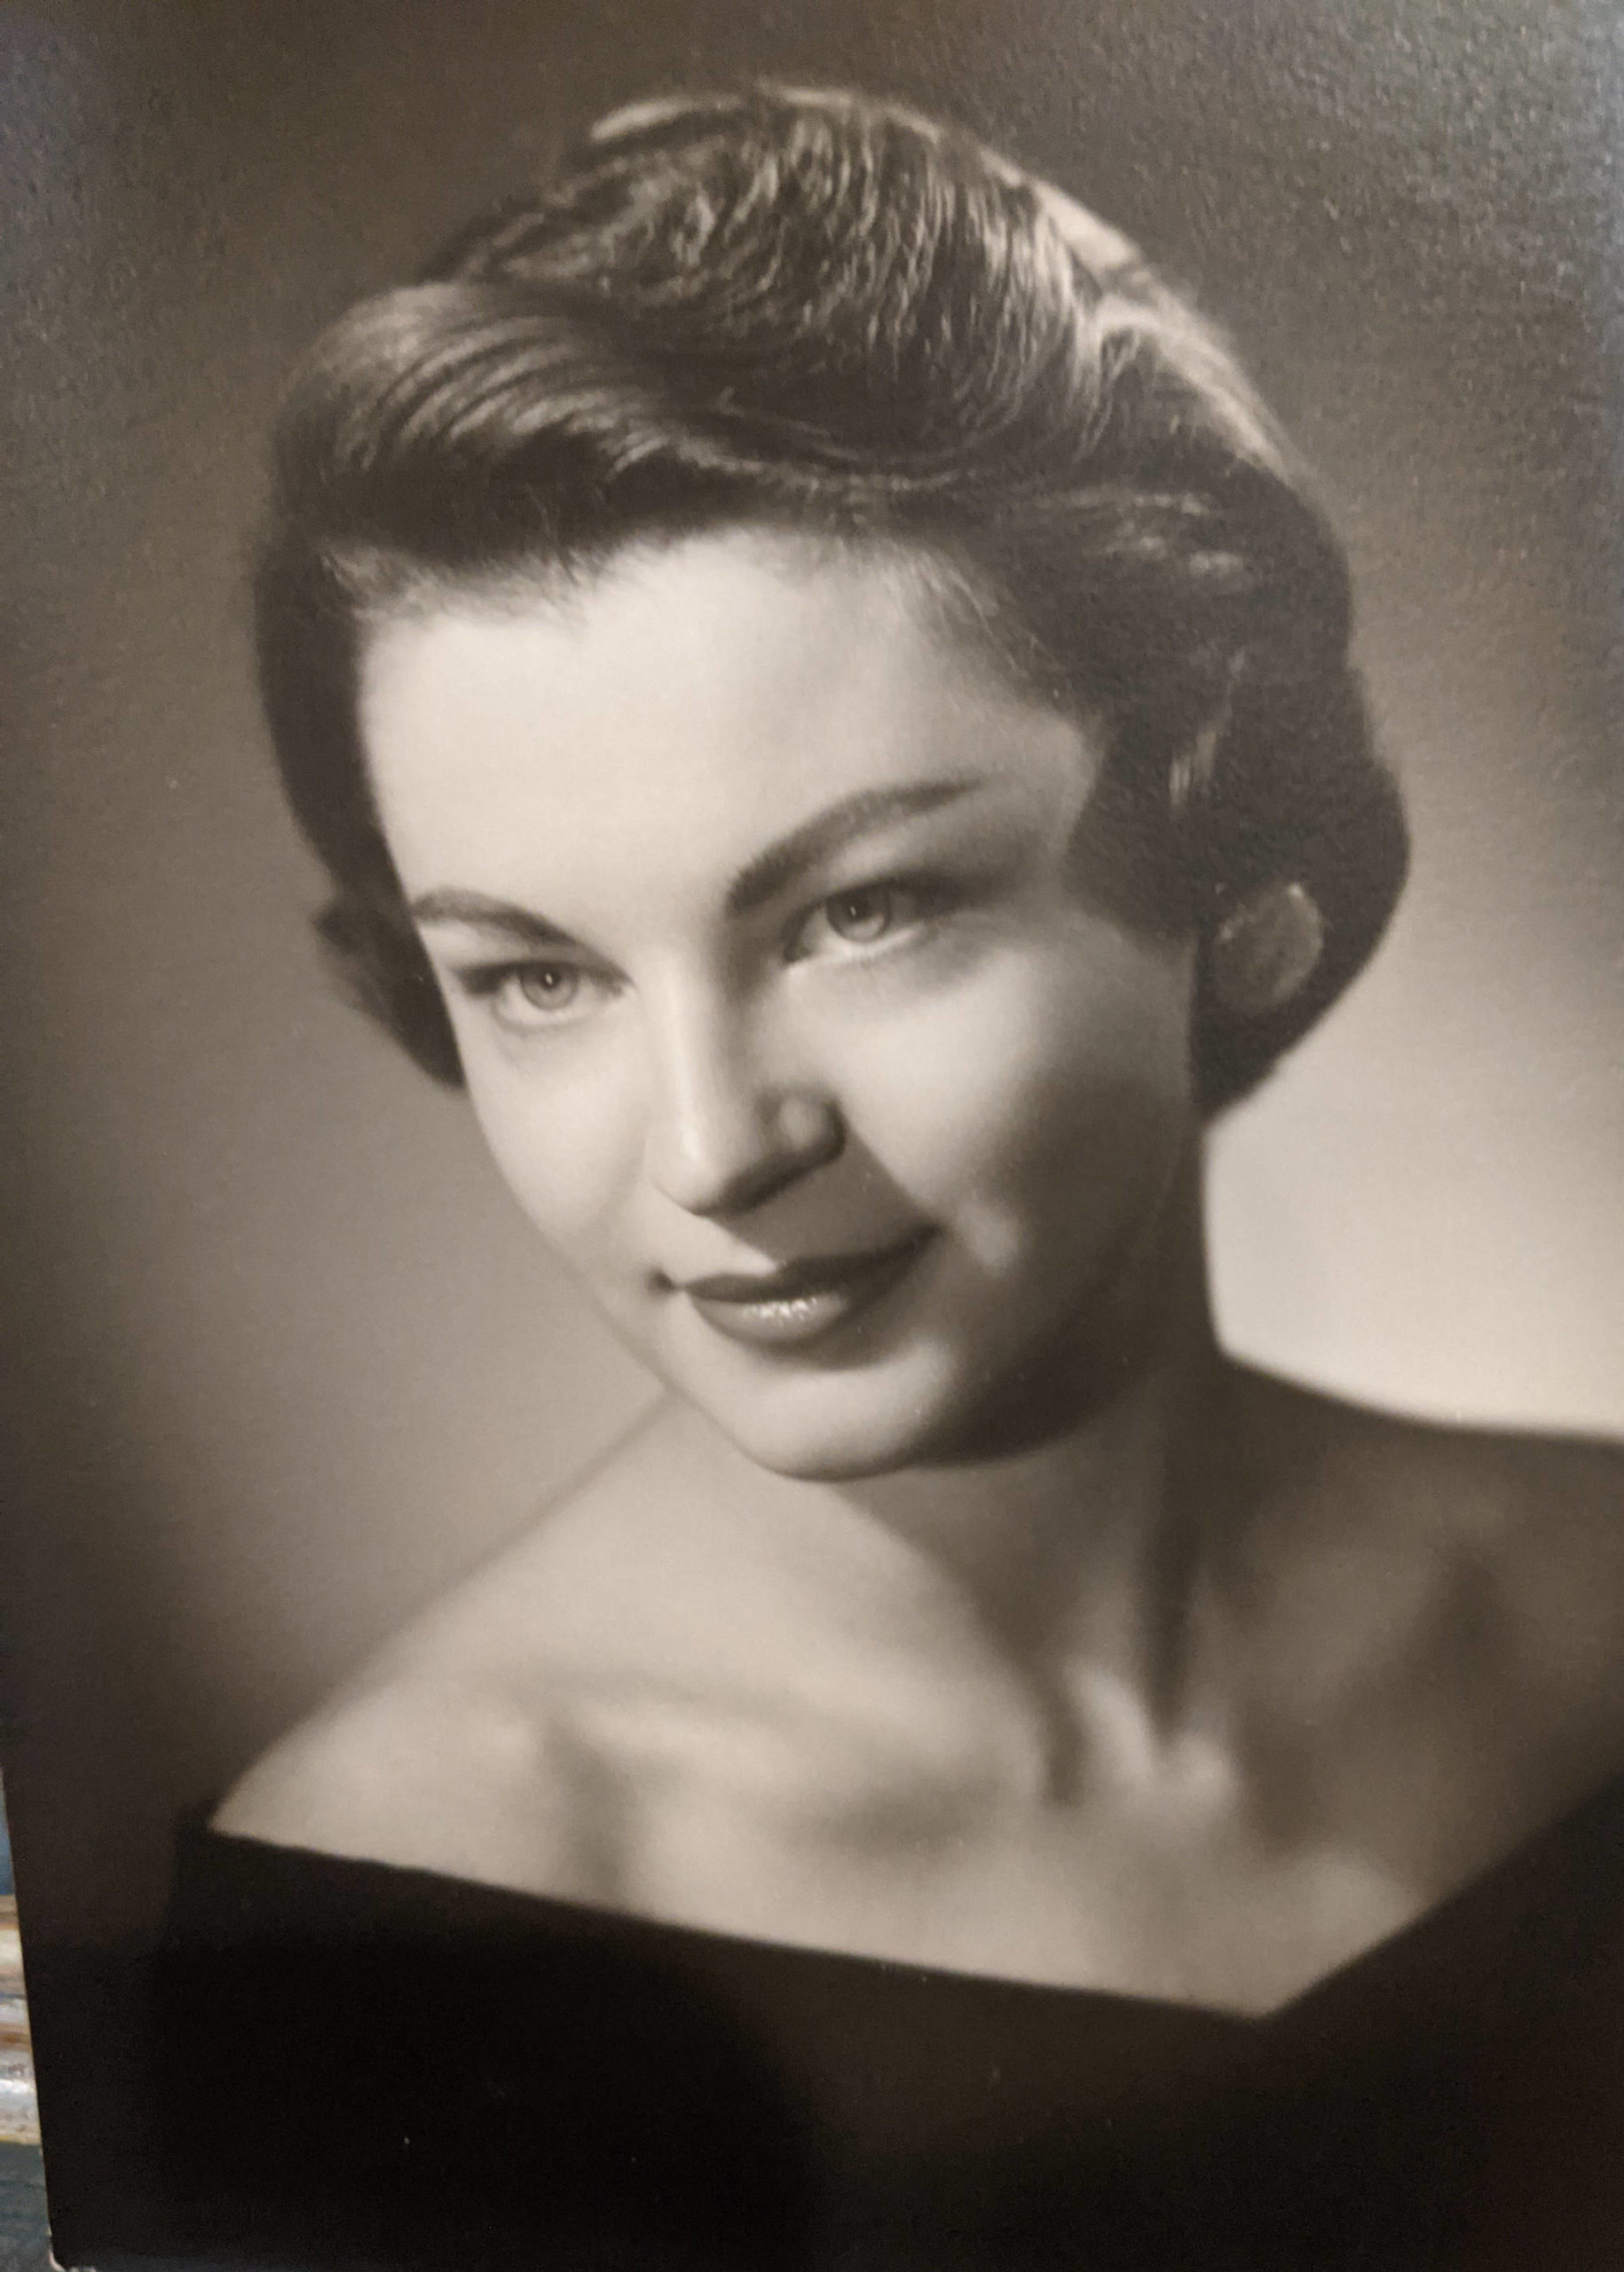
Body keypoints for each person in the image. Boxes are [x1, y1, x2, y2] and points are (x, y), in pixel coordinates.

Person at [146, 84, 1624, 2271]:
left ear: (1234, 875)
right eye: (536, 972)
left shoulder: (1597, 1594)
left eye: (862, 909)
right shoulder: (389, 1928)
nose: (714, 1146)